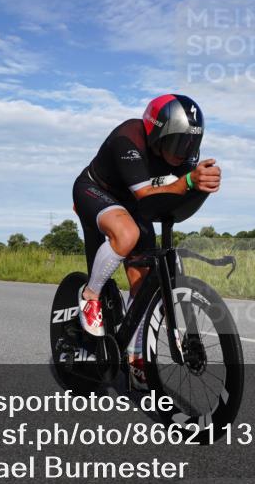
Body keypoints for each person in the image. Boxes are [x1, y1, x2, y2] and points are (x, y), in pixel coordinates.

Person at [72, 94, 221, 388]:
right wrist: (190, 181)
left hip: (133, 200)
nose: (184, 152)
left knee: (143, 282)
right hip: (95, 190)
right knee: (127, 234)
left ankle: (136, 355)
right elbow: (148, 194)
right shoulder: (128, 137)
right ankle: (90, 297)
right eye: (177, 143)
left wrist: (201, 186)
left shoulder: (186, 151)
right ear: (155, 133)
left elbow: (175, 198)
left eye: (189, 144)